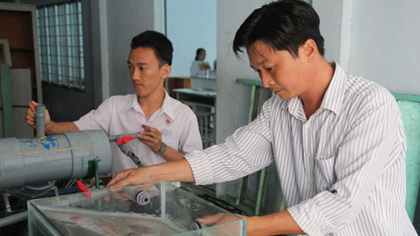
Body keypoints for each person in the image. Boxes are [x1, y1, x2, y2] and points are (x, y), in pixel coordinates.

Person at [107, 1, 416, 235]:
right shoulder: (279, 109)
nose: (265, 82)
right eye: (258, 72)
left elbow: (340, 205)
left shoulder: (369, 105)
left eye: (270, 68)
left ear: (308, 49)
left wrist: (245, 226)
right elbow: (230, 157)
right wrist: (148, 174)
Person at [25, 30, 203, 179]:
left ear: (165, 71)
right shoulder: (115, 107)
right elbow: (76, 128)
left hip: (166, 202)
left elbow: (196, 169)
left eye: (142, 68)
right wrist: (49, 125)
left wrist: (161, 148)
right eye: (130, 67)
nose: (134, 75)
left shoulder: (183, 115)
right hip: (122, 199)